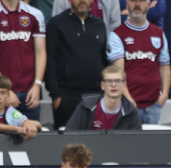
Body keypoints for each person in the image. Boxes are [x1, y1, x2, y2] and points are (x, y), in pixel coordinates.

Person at [46, 0, 109, 130]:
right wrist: (56, 95)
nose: (82, 1)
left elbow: (104, 60)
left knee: (95, 141)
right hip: (66, 95)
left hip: (95, 94)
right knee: (66, 142)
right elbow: (50, 59)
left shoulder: (100, 24)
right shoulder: (56, 23)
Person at [0, 0, 46, 121]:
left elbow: (41, 52)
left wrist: (37, 85)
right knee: (1, 137)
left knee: (33, 136)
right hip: (2, 93)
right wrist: (5, 90)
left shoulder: (35, 14)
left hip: (30, 92)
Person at [107, 0, 171, 124]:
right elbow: (118, 73)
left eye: (141, 1)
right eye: (133, 0)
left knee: (153, 144)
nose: (137, 4)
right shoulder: (117, 35)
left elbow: (165, 67)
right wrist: (129, 100)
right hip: (128, 105)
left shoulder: (159, 33)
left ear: (149, 4)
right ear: (126, 3)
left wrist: (164, 95)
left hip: (154, 105)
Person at [65, 65, 142, 131]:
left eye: (118, 81)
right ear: (102, 85)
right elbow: (70, 134)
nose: (113, 85)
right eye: (109, 81)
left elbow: (136, 142)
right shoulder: (86, 106)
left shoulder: (131, 111)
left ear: (124, 85)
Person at [0, 75, 42, 139]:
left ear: (8, 96)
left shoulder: (10, 111)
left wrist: (29, 124)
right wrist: (16, 128)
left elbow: (30, 123)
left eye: (3, 93)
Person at [52, 0, 121, 33]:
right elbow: (56, 27)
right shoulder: (61, 1)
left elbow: (115, 28)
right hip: (70, 51)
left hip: (102, 50)